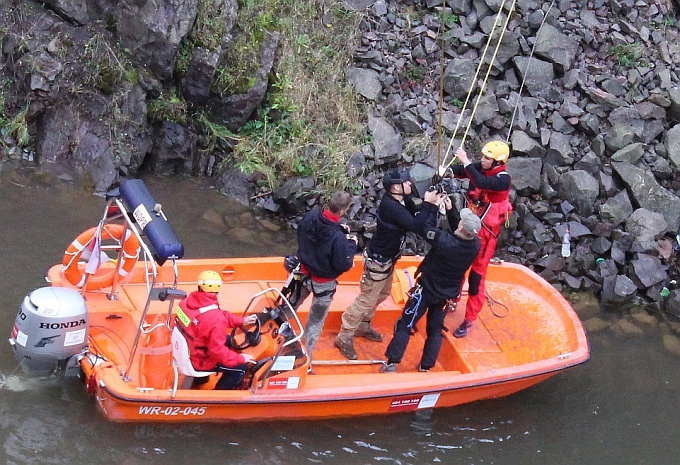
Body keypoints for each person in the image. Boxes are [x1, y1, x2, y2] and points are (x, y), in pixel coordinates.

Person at [335, 168, 441, 360]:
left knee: (382, 294)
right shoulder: (390, 206)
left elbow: (415, 212)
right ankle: (344, 335)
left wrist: (431, 194)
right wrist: (429, 204)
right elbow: (416, 226)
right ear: (395, 187)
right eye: (406, 182)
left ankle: (363, 325)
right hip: (378, 261)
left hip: (388, 260)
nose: (410, 184)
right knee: (365, 299)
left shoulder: (400, 200)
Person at [381, 200, 481, 373]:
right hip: (446, 295)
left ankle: (392, 362)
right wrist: (451, 210)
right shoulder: (475, 245)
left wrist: (432, 205)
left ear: (462, 227)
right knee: (435, 330)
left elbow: (426, 228)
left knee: (405, 323)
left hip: (425, 290)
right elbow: (461, 229)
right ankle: (426, 366)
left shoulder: (444, 241)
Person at [451, 140, 513, 338]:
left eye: (487, 158)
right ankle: (452, 298)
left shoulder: (503, 180)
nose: (482, 160)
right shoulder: (483, 168)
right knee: (457, 265)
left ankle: (469, 319)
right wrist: (447, 170)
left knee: (476, 277)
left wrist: (466, 161)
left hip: (486, 236)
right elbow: (464, 171)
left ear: (497, 162)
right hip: (469, 227)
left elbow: (480, 182)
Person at [290, 191, 359, 365]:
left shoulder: (310, 217)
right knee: (314, 323)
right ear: (343, 211)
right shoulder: (338, 238)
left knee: (289, 307)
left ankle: (269, 333)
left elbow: (302, 234)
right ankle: (306, 360)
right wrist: (351, 243)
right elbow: (343, 264)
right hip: (323, 285)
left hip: (303, 274)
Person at [175, 270, 258, 389]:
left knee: (229, 340)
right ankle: (220, 395)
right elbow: (217, 352)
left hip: (189, 349)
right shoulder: (215, 318)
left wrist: (241, 321)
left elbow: (217, 315)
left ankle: (199, 381)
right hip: (200, 361)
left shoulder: (187, 302)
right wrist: (241, 358)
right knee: (240, 368)